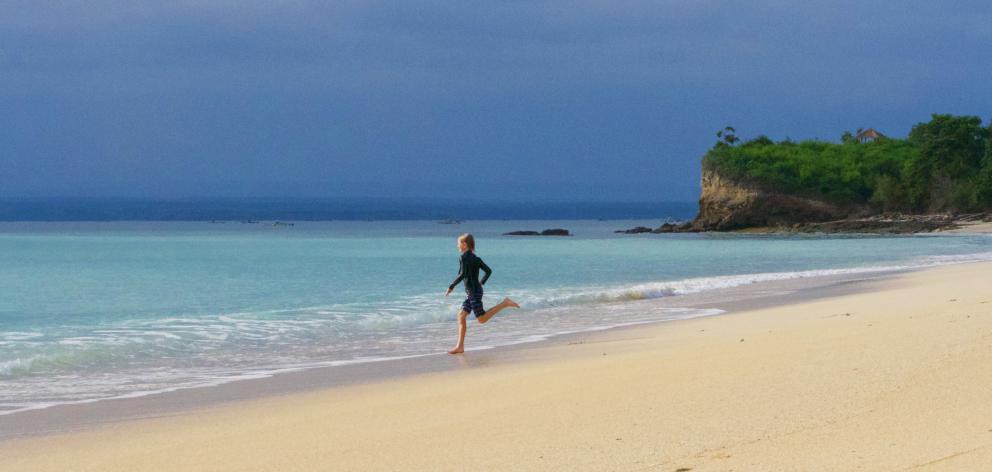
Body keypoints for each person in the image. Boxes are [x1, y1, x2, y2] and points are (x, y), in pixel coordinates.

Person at [444, 233, 519, 354]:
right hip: (474, 291)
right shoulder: (476, 259)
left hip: (473, 292)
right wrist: (481, 283)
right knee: (461, 316)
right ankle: (460, 347)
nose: (457, 245)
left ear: (465, 244)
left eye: (459, 243)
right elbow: (488, 271)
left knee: (481, 319)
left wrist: (451, 286)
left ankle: (504, 303)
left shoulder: (463, 257)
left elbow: (462, 274)